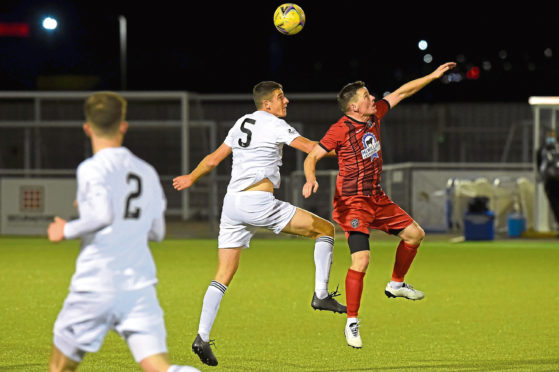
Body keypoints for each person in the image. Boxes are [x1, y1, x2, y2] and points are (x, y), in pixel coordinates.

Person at [173, 81, 346, 367]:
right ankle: (321, 294)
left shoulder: (242, 121)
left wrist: (191, 178)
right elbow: (311, 148)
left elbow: (215, 159)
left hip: (232, 205)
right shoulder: (273, 124)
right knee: (326, 230)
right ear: (267, 104)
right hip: (258, 204)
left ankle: (201, 336)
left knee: (224, 273)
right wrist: (347, 153)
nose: (286, 101)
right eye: (281, 97)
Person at [302, 62, 457, 349]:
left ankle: (396, 284)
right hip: (352, 203)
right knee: (361, 261)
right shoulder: (340, 129)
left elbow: (401, 92)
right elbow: (312, 156)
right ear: (353, 107)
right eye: (366, 96)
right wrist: (310, 178)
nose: (373, 98)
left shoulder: (375, 116)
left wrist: (433, 76)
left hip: (376, 197)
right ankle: (351, 322)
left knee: (415, 235)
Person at [47, 92, 199, 372]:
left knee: (60, 367)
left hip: (96, 283)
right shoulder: (147, 172)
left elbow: (101, 214)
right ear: (123, 126)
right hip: (139, 286)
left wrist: (64, 229)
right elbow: (157, 232)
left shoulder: (91, 168)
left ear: (87, 128)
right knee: (159, 367)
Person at [536, 130, 559, 227]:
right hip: (550, 182)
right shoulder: (542, 150)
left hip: (552, 181)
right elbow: (539, 165)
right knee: (555, 204)